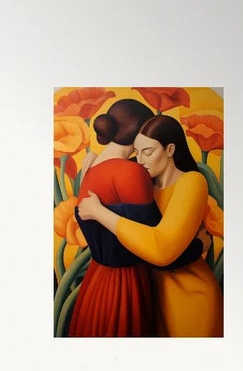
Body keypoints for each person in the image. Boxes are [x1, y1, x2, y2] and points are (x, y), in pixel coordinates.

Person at [76, 113, 223, 338]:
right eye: (137, 151)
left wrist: (99, 213)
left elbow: (160, 251)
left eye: (148, 151)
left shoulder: (191, 182)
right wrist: (95, 158)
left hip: (188, 298)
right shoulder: (144, 178)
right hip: (152, 300)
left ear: (170, 150)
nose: (140, 159)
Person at [65, 98, 159, 337]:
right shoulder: (132, 171)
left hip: (97, 283)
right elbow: (151, 235)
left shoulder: (91, 168)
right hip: (126, 285)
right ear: (138, 132)